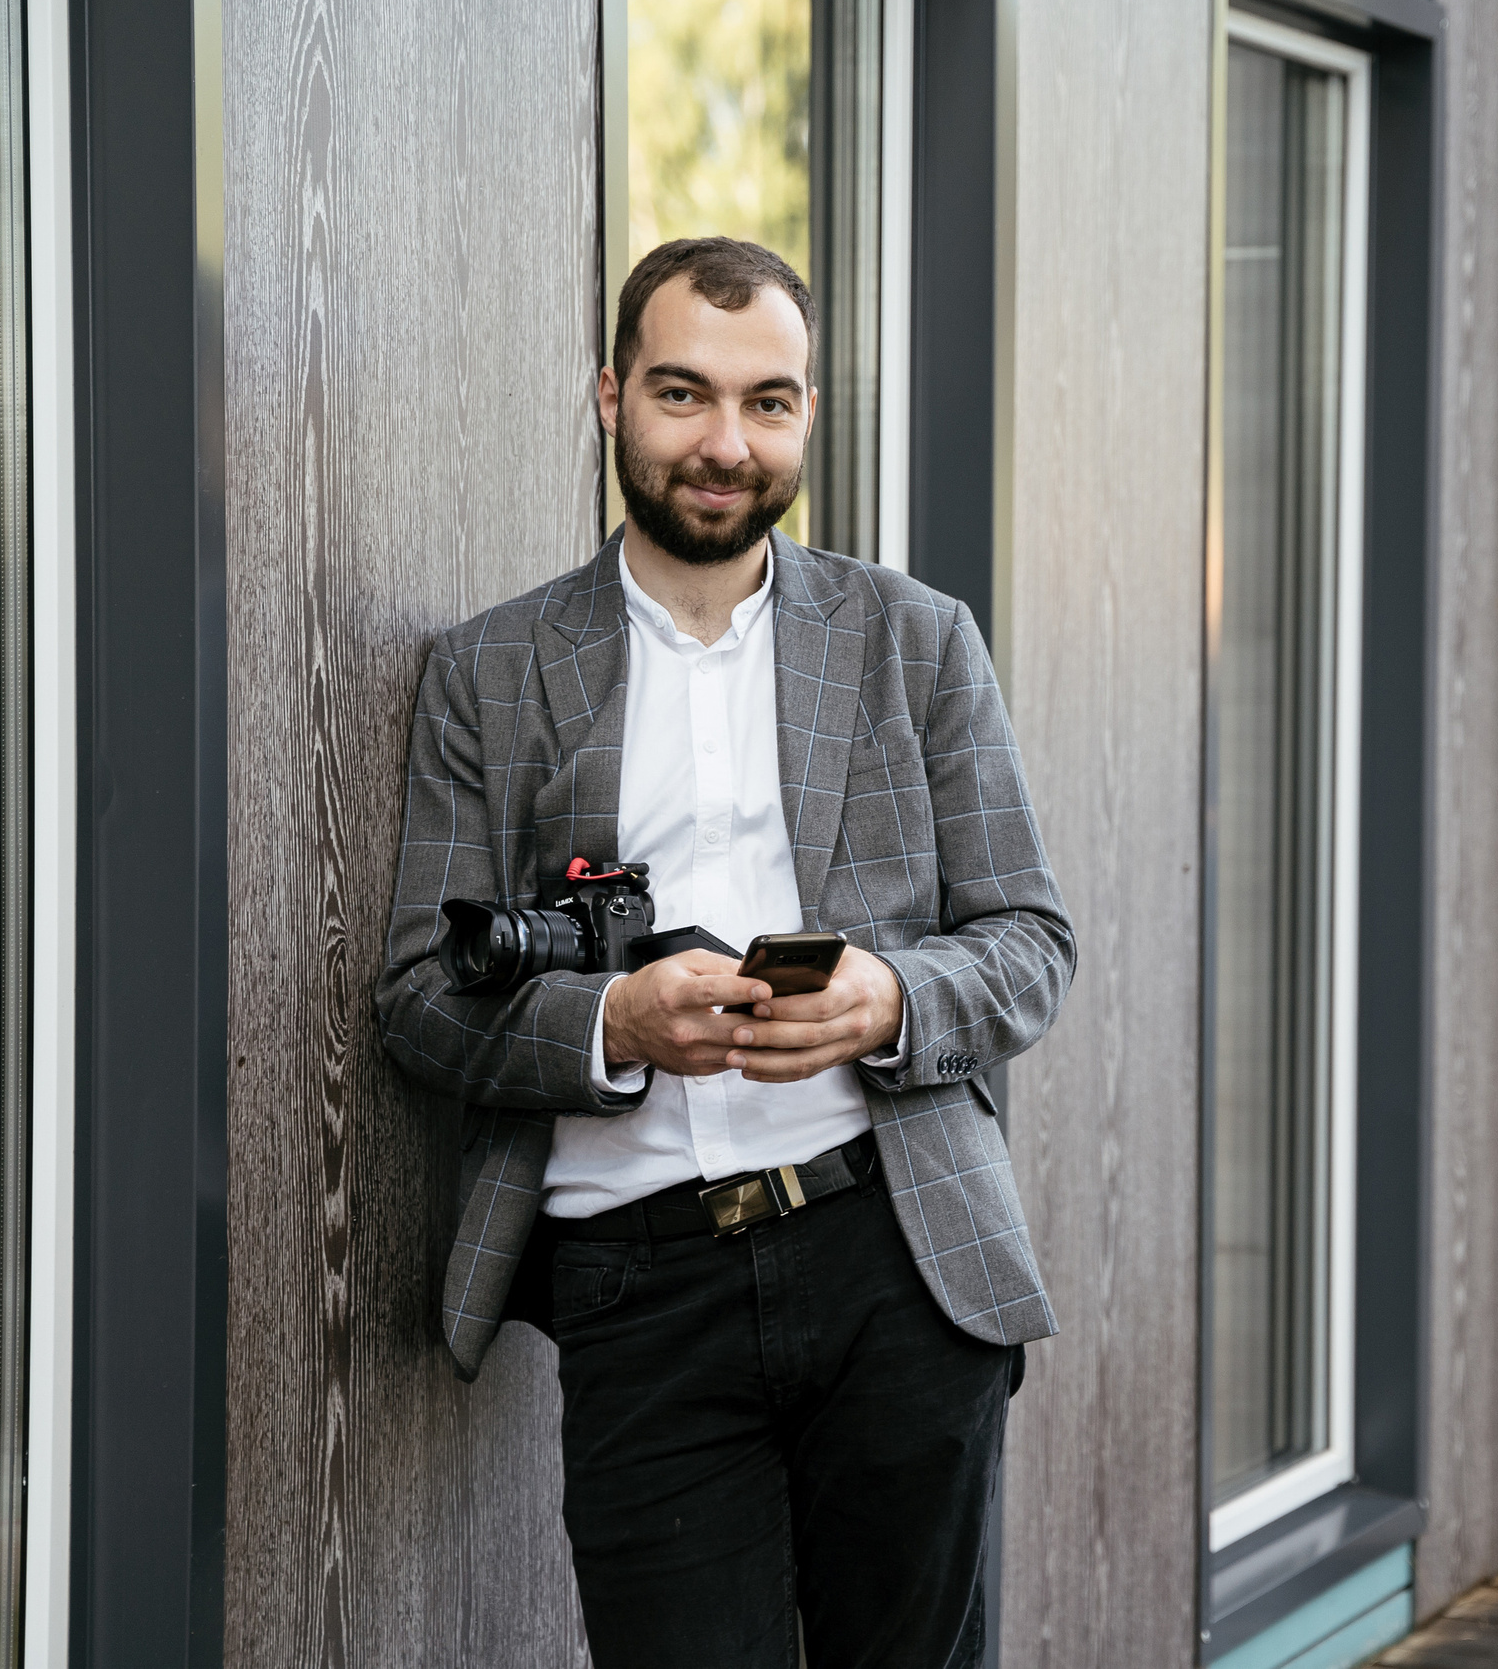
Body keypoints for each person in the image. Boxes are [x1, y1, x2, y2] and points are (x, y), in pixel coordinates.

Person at [376, 236, 1073, 1669]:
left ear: (809, 416)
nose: (724, 443)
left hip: (896, 1250)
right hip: (640, 1283)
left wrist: (893, 998)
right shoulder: (489, 671)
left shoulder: (916, 642)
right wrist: (611, 1028)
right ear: (610, 394)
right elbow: (415, 999)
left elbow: (1030, 941)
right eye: (685, 394)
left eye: (769, 403)